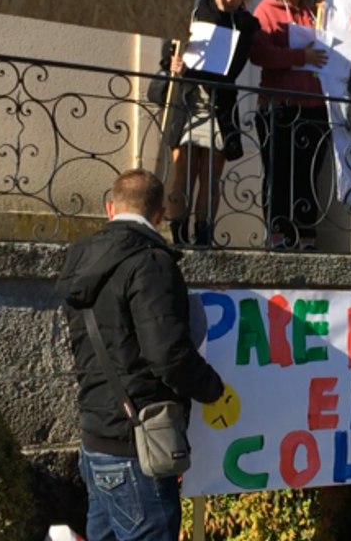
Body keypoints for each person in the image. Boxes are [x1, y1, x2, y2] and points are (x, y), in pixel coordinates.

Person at [56, 169, 225, 541]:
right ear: (161, 214)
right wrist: (214, 388)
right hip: (137, 448)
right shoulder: (151, 263)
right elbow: (166, 354)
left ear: (109, 208)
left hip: (96, 437)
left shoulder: (80, 258)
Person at [150, 0, 260, 246]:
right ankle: (178, 232)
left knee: (210, 175)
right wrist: (174, 63)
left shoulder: (246, 26)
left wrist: (194, 70)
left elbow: (232, 69)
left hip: (217, 106)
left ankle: (203, 234)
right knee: (183, 170)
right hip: (188, 101)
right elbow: (171, 49)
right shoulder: (196, 12)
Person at [251, 0, 329, 251]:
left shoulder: (313, 13)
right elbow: (260, 54)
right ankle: (278, 234)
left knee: (308, 175)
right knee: (279, 172)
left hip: (314, 105)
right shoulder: (266, 10)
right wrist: (301, 57)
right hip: (278, 105)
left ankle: (306, 236)